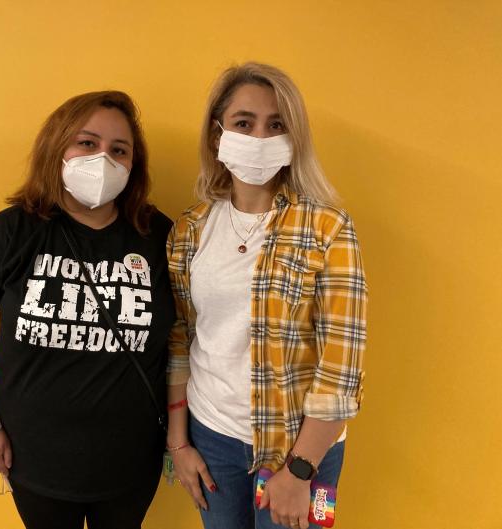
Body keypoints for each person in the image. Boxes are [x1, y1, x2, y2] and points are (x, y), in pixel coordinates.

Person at [0, 90, 175, 529]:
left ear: (134, 165)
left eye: (119, 150)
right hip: (35, 459)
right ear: (57, 148)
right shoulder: (12, 231)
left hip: (131, 459)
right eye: (87, 143)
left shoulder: (158, 236)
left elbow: (180, 340)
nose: (103, 158)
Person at [165, 62, 368, 529]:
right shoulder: (188, 231)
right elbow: (180, 340)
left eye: (276, 125)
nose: (259, 137)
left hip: (300, 448)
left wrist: (300, 471)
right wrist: (179, 443)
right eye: (243, 123)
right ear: (217, 136)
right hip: (212, 437)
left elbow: (341, 367)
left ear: (293, 138)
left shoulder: (328, 228)